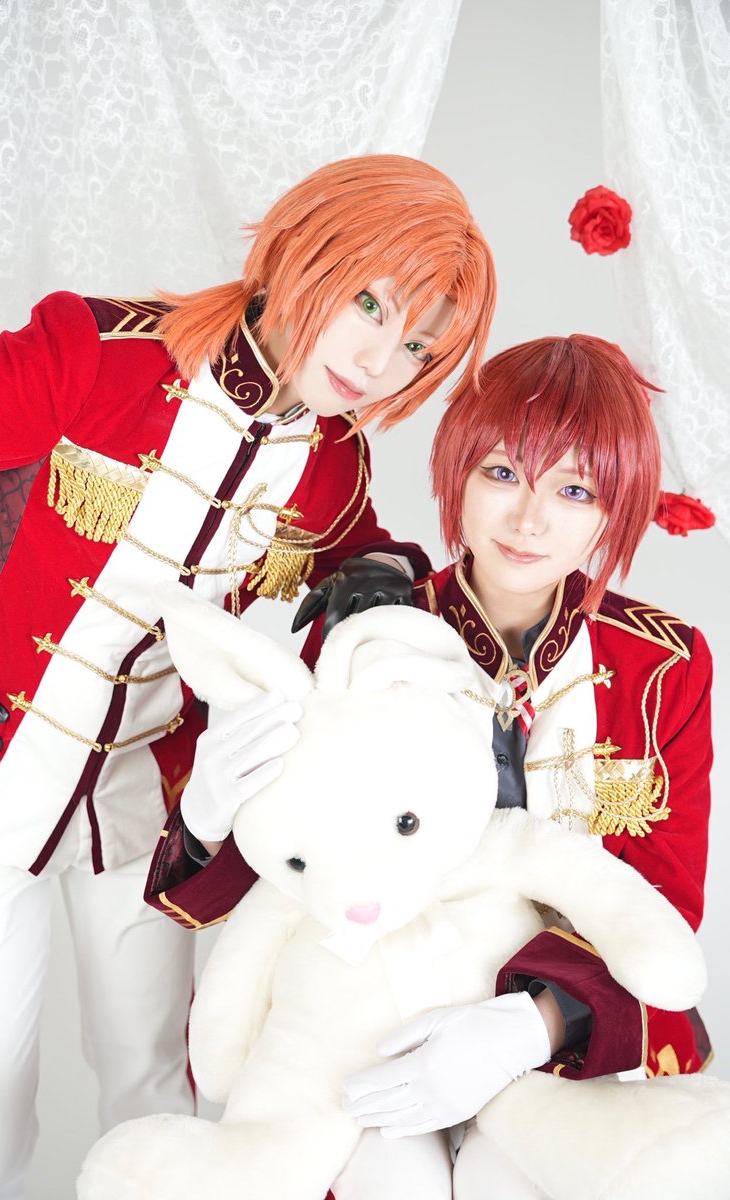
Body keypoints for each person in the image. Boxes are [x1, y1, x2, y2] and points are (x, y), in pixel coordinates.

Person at [0, 154, 496, 1200]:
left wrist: (379, 570)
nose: (378, 360)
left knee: (158, 1097)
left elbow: (353, 549)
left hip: (149, 817)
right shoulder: (92, 355)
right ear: (301, 251)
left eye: (418, 345)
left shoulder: (331, 459)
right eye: (370, 304)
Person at [163, 333, 712, 1199]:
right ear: (455, 473)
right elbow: (286, 864)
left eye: (574, 490)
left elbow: (663, 894)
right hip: (369, 1022)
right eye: (501, 473)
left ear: (617, 507)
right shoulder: (370, 624)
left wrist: (530, 1025)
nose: (529, 520)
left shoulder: (662, 665)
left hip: (572, 1036)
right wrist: (204, 817)